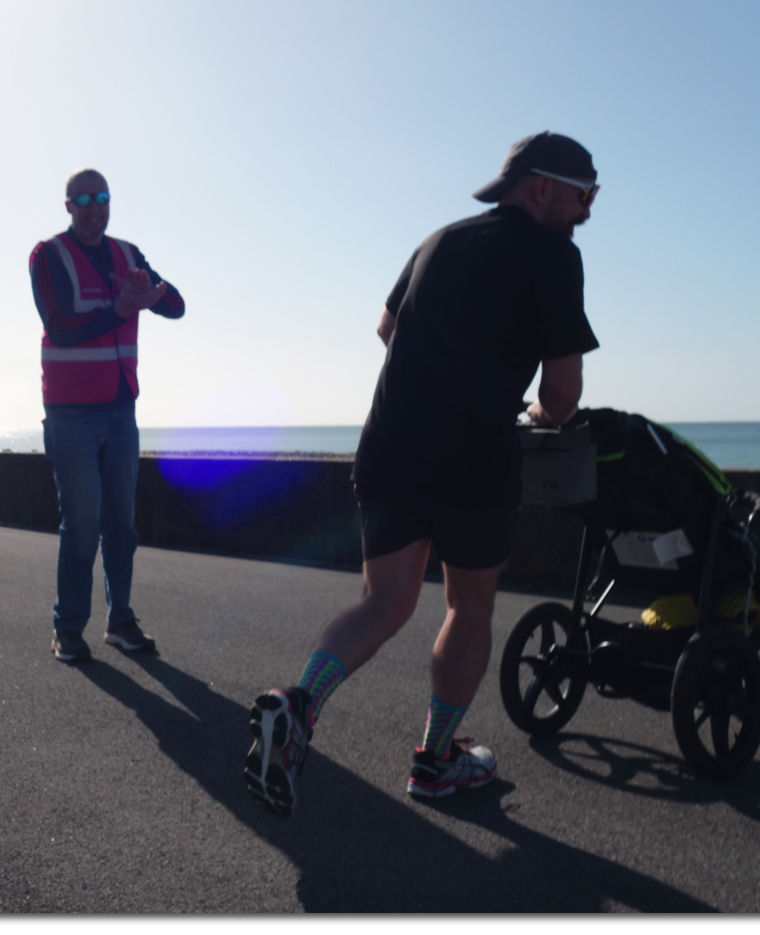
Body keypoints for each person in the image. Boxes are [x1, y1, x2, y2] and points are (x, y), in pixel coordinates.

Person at [244, 131, 601, 816]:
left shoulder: (438, 238)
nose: (588, 210)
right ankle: (437, 761)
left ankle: (296, 705)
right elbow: (561, 396)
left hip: (388, 444)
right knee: (466, 606)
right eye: (584, 194)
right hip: (473, 457)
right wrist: (525, 402)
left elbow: (386, 329)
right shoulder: (555, 257)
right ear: (542, 187)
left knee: (383, 603)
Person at [29, 168, 185, 663]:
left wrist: (152, 294)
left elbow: (176, 306)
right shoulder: (48, 254)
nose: (96, 207)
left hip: (122, 408)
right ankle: (68, 627)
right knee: (82, 522)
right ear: (69, 206)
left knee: (121, 522)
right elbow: (61, 325)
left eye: (103, 198)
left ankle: (120, 620)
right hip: (72, 412)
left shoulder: (128, 253)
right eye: (85, 199)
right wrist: (122, 309)